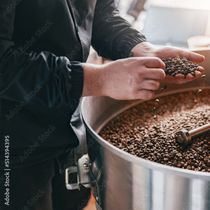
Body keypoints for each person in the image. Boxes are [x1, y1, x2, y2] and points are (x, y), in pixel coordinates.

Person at [0, 0, 204, 210]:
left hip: (69, 128)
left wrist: (137, 47)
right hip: (12, 147)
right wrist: (98, 80)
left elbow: (99, 14)